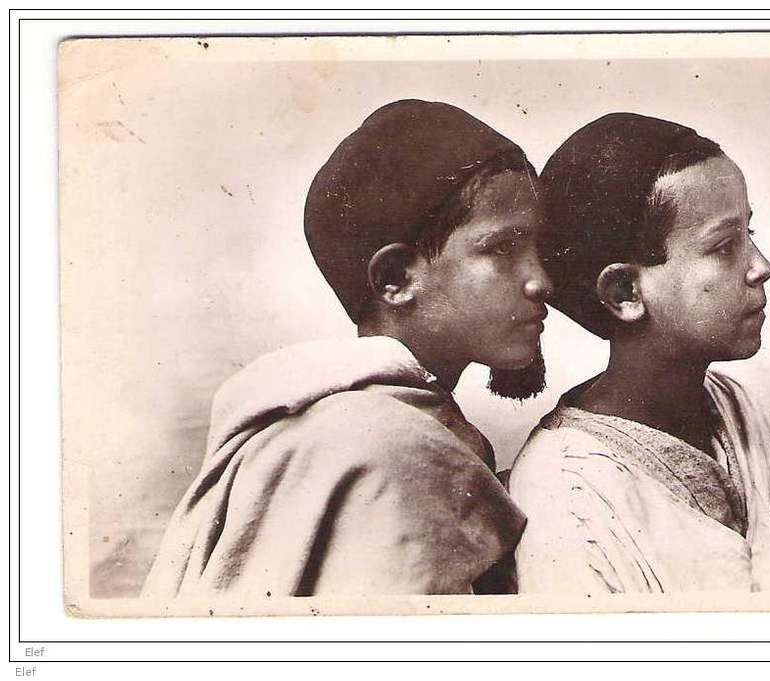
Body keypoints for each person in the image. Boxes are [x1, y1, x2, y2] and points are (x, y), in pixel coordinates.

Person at [142, 100, 551, 598]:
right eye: (503, 249)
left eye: (539, 249)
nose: (541, 280)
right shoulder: (384, 447)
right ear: (396, 279)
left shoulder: (373, 429)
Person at [508, 113, 770, 593]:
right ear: (625, 292)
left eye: (750, 235)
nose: (761, 267)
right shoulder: (567, 487)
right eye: (723, 246)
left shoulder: (733, 404)